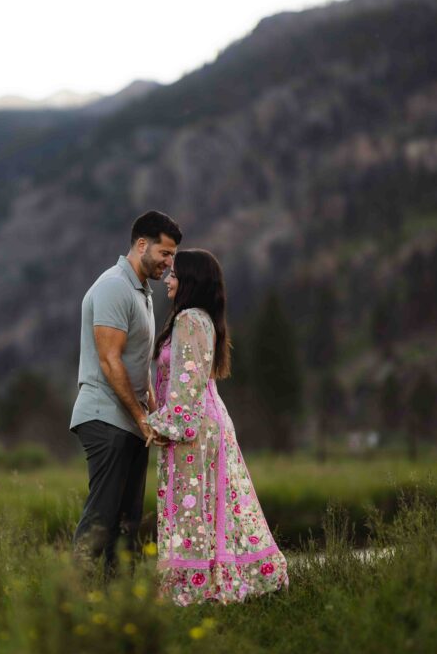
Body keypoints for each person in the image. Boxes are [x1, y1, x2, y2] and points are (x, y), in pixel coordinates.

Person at [145, 249, 289, 605]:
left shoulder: (190, 321)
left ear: (190, 280)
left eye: (174, 274)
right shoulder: (199, 319)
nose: (168, 280)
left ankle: (194, 587)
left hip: (192, 426)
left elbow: (187, 383)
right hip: (202, 420)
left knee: (193, 504)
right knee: (210, 503)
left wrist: (161, 425)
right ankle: (209, 581)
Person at [71, 210, 183, 578]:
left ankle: (118, 604)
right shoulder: (114, 286)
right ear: (141, 244)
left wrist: (155, 417)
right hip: (105, 417)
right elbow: (109, 360)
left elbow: (140, 369)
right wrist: (139, 416)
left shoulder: (142, 293)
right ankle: (72, 600)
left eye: (172, 257)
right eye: (165, 254)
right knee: (102, 518)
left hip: (131, 422)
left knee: (127, 524)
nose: (169, 264)